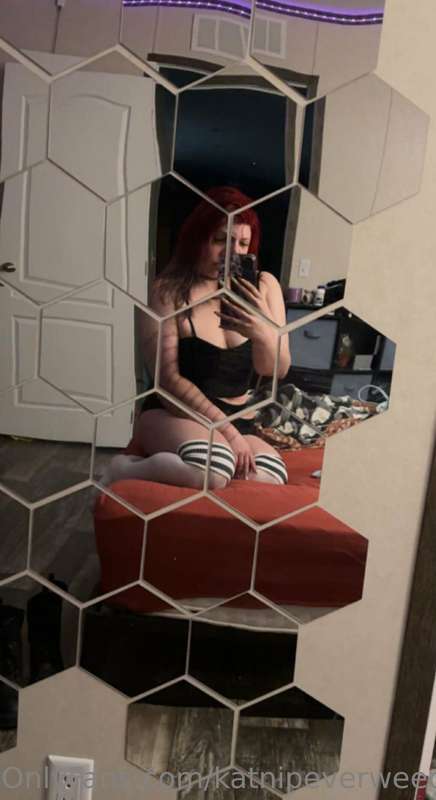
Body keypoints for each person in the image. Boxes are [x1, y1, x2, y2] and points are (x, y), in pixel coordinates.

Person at [103, 187, 291, 489]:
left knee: (270, 476)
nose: (232, 253)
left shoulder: (264, 286)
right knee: (213, 469)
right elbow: (167, 380)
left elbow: (276, 370)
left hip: (240, 416)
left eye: (243, 243)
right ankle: (122, 469)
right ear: (197, 238)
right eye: (220, 240)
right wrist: (229, 435)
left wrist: (262, 330)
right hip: (175, 412)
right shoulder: (168, 291)